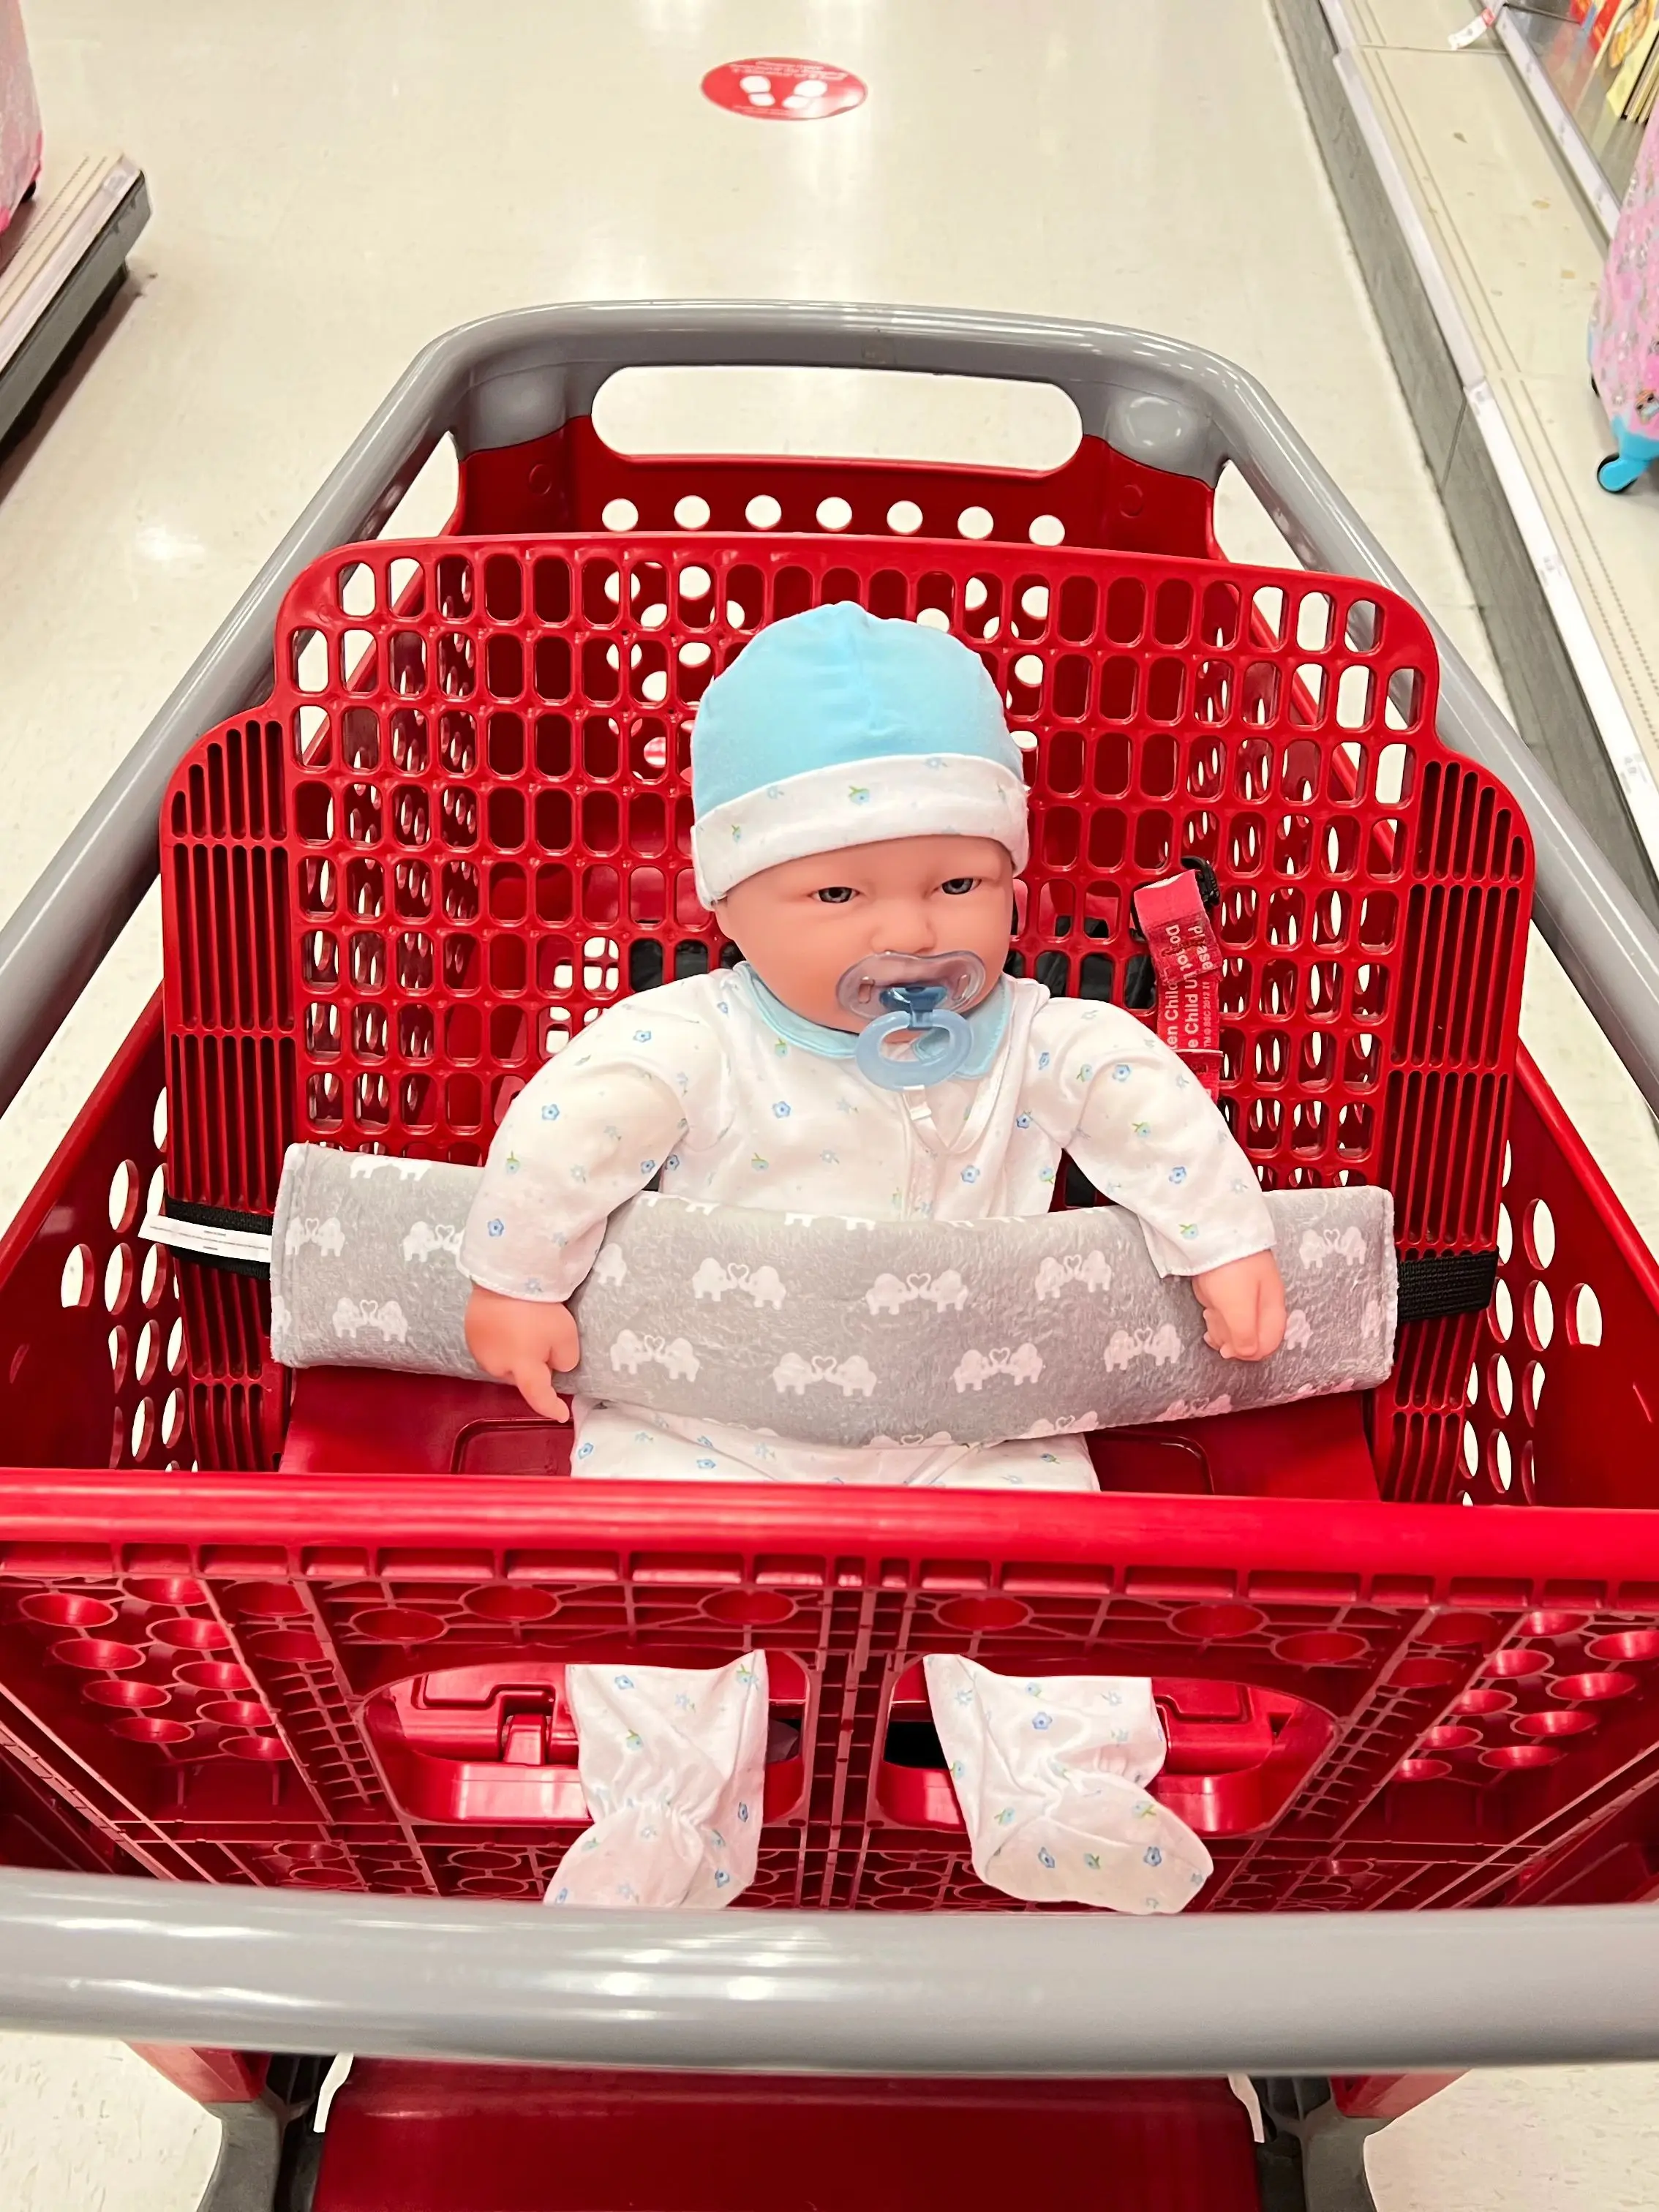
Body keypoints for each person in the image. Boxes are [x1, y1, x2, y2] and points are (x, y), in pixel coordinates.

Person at [459, 601, 1284, 1489]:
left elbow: (1140, 1096)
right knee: (658, 1527)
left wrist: (1224, 1244)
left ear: (1013, 882)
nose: (911, 932)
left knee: (1046, 1540)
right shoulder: (695, 1040)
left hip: (978, 1422)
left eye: (958, 885)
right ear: (726, 907)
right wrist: (517, 1283)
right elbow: (567, 1132)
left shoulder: (1037, 1039)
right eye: (838, 896)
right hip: (708, 1420)